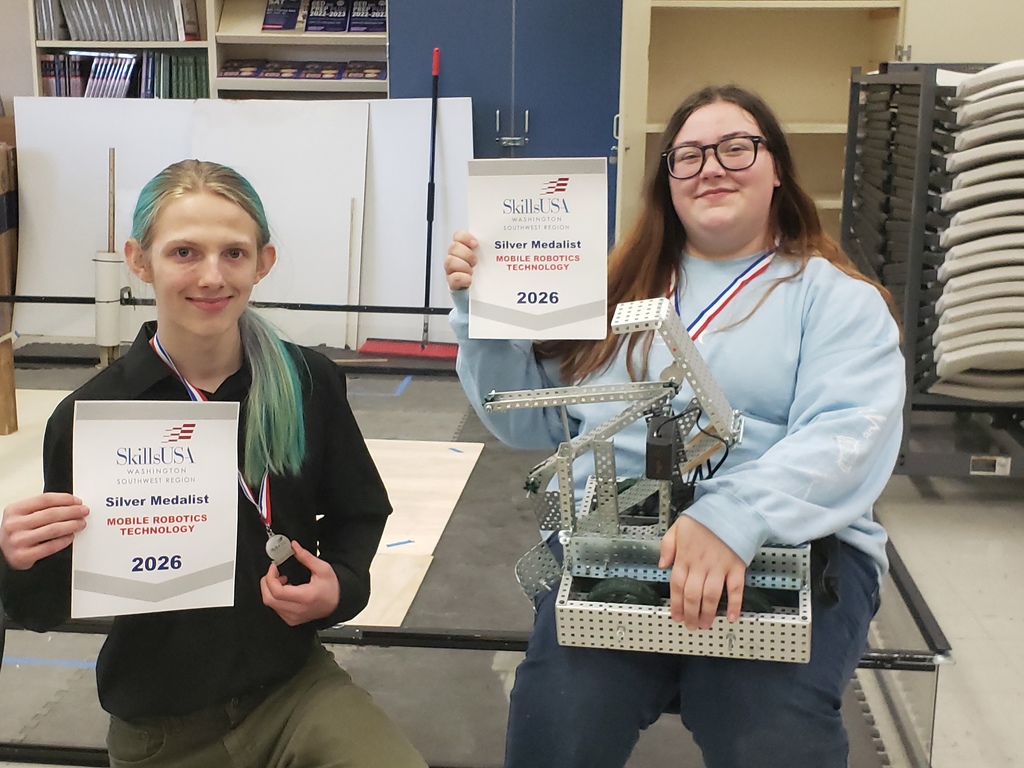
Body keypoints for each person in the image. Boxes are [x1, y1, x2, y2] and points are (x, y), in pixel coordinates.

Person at [445, 85, 906, 768]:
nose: (711, 167)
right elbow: (533, 423)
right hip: (617, 537)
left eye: (736, 148)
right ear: (666, 180)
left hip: (793, 544)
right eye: (687, 155)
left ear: (777, 167)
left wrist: (731, 519)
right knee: (560, 723)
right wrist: (481, 315)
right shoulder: (610, 289)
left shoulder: (834, 300)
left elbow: (847, 434)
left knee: (766, 729)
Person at [0, 160, 426, 768]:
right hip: (162, 726)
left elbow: (361, 509)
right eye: (183, 252)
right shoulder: (94, 416)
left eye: (233, 253)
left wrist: (342, 586)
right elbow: (46, 606)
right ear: (139, 260)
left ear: (263, 262)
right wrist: (19, 559)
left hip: (295, 690)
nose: (211, 276)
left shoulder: (307, 382)